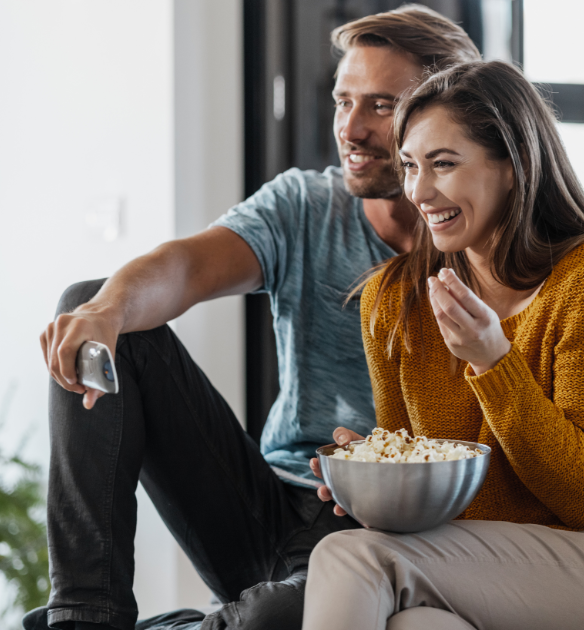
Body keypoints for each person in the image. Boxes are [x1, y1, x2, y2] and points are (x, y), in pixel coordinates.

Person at [27, 7, 481, 630]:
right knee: (93, 302)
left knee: (276, 616)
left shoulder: (487, 246)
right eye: (342, 100)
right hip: (259, 503)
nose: (350, 127)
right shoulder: (304, 205)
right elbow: (184, 268)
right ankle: (84, 617)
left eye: (381, 105)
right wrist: (106, 310)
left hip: (378, 527)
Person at [303, 60, 584, 630]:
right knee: (419, 627)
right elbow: (421, 472)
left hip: (571, 554)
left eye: (444, 164)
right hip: (477, 566)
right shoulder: (394, 297)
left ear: (512, 166)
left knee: (350, 555)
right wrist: (374, 479)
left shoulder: (576, 288)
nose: (419, 191)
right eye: (410, 166)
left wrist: (494, 362)